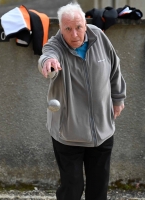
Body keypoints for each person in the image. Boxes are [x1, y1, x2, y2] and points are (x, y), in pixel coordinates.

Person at [38, 2, 126, 200]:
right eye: (68, 29)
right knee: (72, 188)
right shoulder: (55, 45)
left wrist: (118, 98)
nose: (74, 34)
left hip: (101, 131)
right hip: (68, 134)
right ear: (60, 28)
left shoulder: (99, 37)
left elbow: (114, 68)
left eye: (78, 27)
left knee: (99, 188)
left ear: (85, 24)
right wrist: (48, 63)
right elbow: (47, 56)